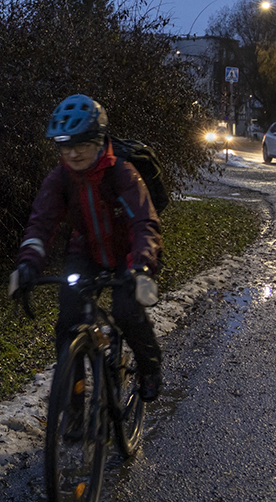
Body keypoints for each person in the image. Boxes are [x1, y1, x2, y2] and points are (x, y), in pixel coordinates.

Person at [11, 94, 164, 401]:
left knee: (125, 311)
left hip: (128, 253)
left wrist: (141, 265)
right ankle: (76, 402)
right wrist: (28, 264)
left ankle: (150, 368)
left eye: (81, 144)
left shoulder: (122, 173)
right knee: (68, 323)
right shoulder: (60, 179)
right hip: (86, 251)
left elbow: (144, 223)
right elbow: (41, 223)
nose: (73, 153)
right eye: (65, 146)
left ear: (99, 140)